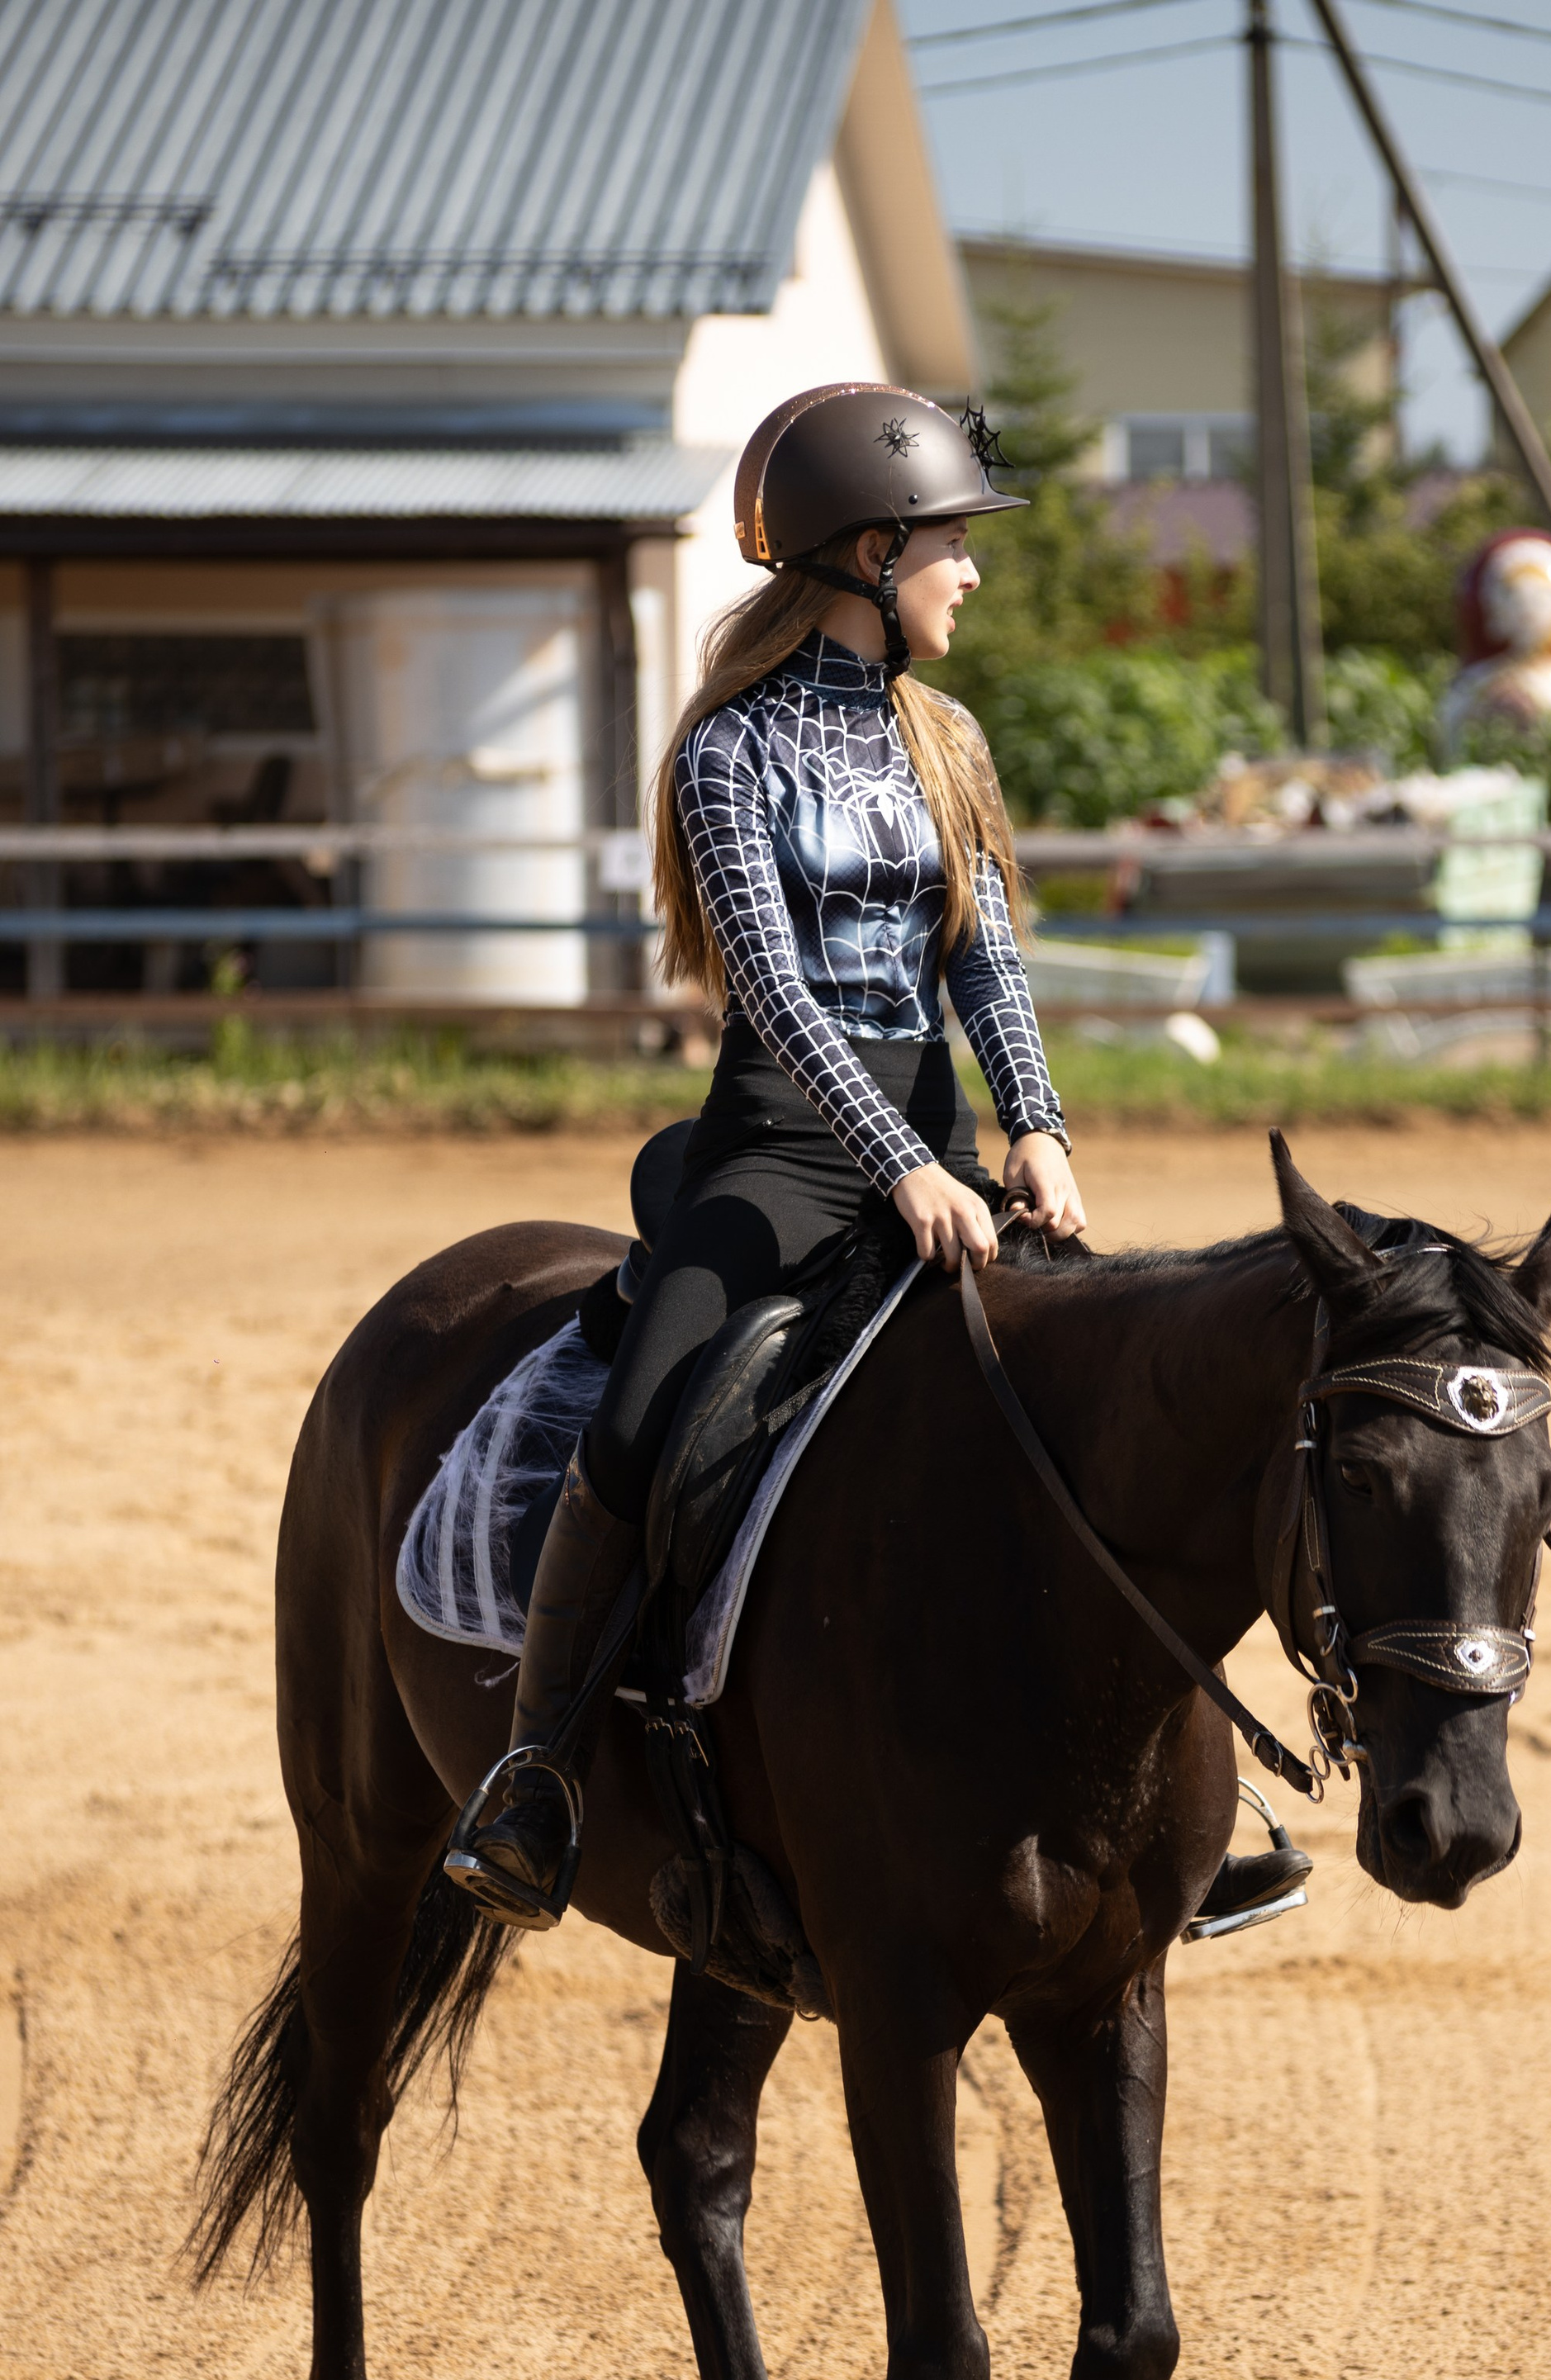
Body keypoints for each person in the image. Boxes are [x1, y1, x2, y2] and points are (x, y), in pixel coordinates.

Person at [448, 383, 1087, 1932]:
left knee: (1093, 1395)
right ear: (869, 552)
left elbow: (984, 964)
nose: (971, 574)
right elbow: (773, 990)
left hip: (937, 1132)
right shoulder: (725, 755)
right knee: (641, 1424)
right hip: (781, 1148)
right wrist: (898, 1169)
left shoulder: (951, 741)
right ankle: (536, 1774)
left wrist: (1038, 1129)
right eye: (950, 545)